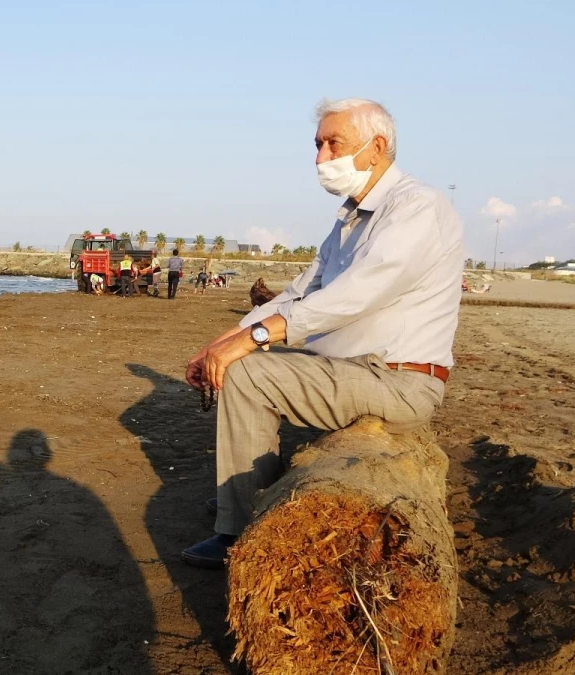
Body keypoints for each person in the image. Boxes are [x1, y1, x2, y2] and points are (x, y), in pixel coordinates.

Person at [180, 98, 464, 569]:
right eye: (317, 145)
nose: (321, 159)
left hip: (398, 381)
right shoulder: (351, 218)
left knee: (251, 375)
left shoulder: (416, 207)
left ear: (376, 148)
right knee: (242, 360)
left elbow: (355, 294)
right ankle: (248, 494)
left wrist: (252, 340)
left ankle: (237, 533)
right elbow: (300, 292)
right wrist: (220, 343)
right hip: (354, 369)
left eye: (334, 145)